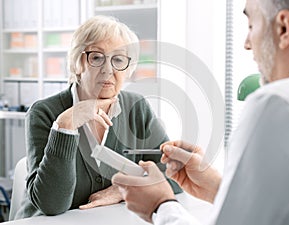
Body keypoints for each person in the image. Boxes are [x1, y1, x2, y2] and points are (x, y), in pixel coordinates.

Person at [112, 0, 289, 224]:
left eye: (251, 26)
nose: (247, 44)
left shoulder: (276, 104)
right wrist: (217, 187)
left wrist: (161, 206)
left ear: (284, 28)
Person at [13, 15, 181, 220]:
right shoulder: (43, 112)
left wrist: (123, 189)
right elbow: (52, 204)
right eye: (96, 57)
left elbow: (175, 176)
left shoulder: (136, 108)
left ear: (129, 68)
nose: (108, 69)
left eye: (118, 59)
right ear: (77, 63)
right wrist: (66, 125)